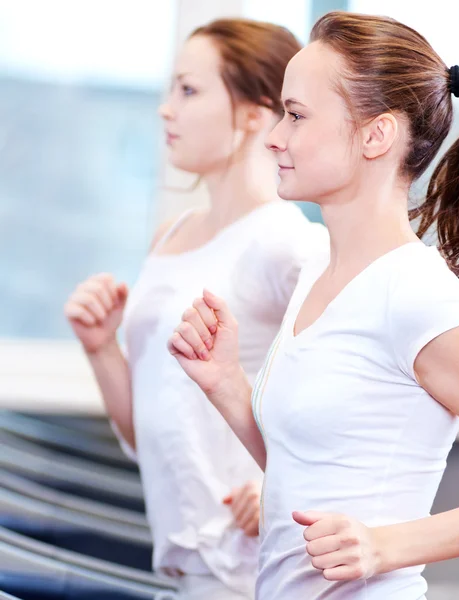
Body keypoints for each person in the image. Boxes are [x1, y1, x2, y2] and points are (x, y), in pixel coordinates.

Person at [167, 10, 459, 600]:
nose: (273, 137)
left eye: (296, 115)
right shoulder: (322, 270)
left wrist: (391, 545)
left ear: (375, 135)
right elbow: (305, 474)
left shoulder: (415, 293)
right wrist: (226, 384)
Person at [65, 18, 327, 600]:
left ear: (257, 114)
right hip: (187, 567)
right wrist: (102, 346)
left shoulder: (287, 244)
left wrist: (290, 480)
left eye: (188, 90)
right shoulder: (172, 235)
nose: (165, 110)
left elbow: (356, 395)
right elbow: (146, 433)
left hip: (251, 570)